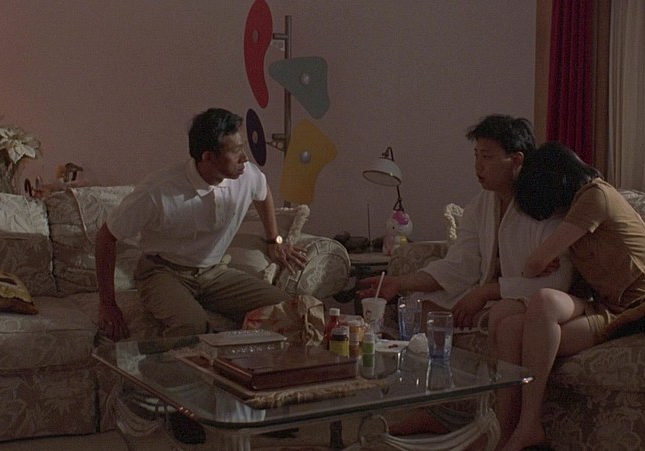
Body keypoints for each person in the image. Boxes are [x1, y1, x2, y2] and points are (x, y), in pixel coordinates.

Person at [357, 114, 575, 435]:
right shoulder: (482, 205)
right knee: (423, 309)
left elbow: (557, 278)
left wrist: (486, 292)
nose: (478, 166)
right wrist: (399, 283)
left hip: (527, 299)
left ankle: (497, 427)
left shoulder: (542, 203)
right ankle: (435, 411)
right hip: (492, 293)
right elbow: (460, 265)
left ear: (517, 160)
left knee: (493, 319)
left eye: (487, 157)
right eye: (476, 156)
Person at [493, 142, 645, 451]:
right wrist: (545, 261)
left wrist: (541, 260)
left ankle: (530, 424)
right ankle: (502, 434)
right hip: (603, 304)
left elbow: (534, 264)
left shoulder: (594, 195)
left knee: (544, 301)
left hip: (633, 310)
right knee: (509, 328)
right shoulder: (580, 207)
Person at [96, 107, 307, 342]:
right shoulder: (158, 190)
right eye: (235, 151)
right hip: (163, 272)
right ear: (208, 156)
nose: (245, 158)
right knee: (192, 325)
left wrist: (273, 239)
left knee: (287, 309)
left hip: (214, 272)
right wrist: (107, 303)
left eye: (243, 147)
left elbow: (262, 191)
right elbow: (106, 236)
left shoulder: (246, 175)